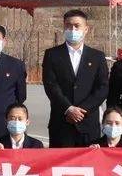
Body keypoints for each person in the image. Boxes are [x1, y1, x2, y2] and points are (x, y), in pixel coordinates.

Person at [42, 9, 110, 148]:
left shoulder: (97, 56)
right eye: (68, 25)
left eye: (77, 26)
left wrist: (82, 110)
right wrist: (68, 109)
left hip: (88, 125)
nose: (72, 29)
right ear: (64, 27)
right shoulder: (52, 55)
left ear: (86, 29)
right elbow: (51, 85)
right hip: (61, 123)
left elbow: (102, 87)